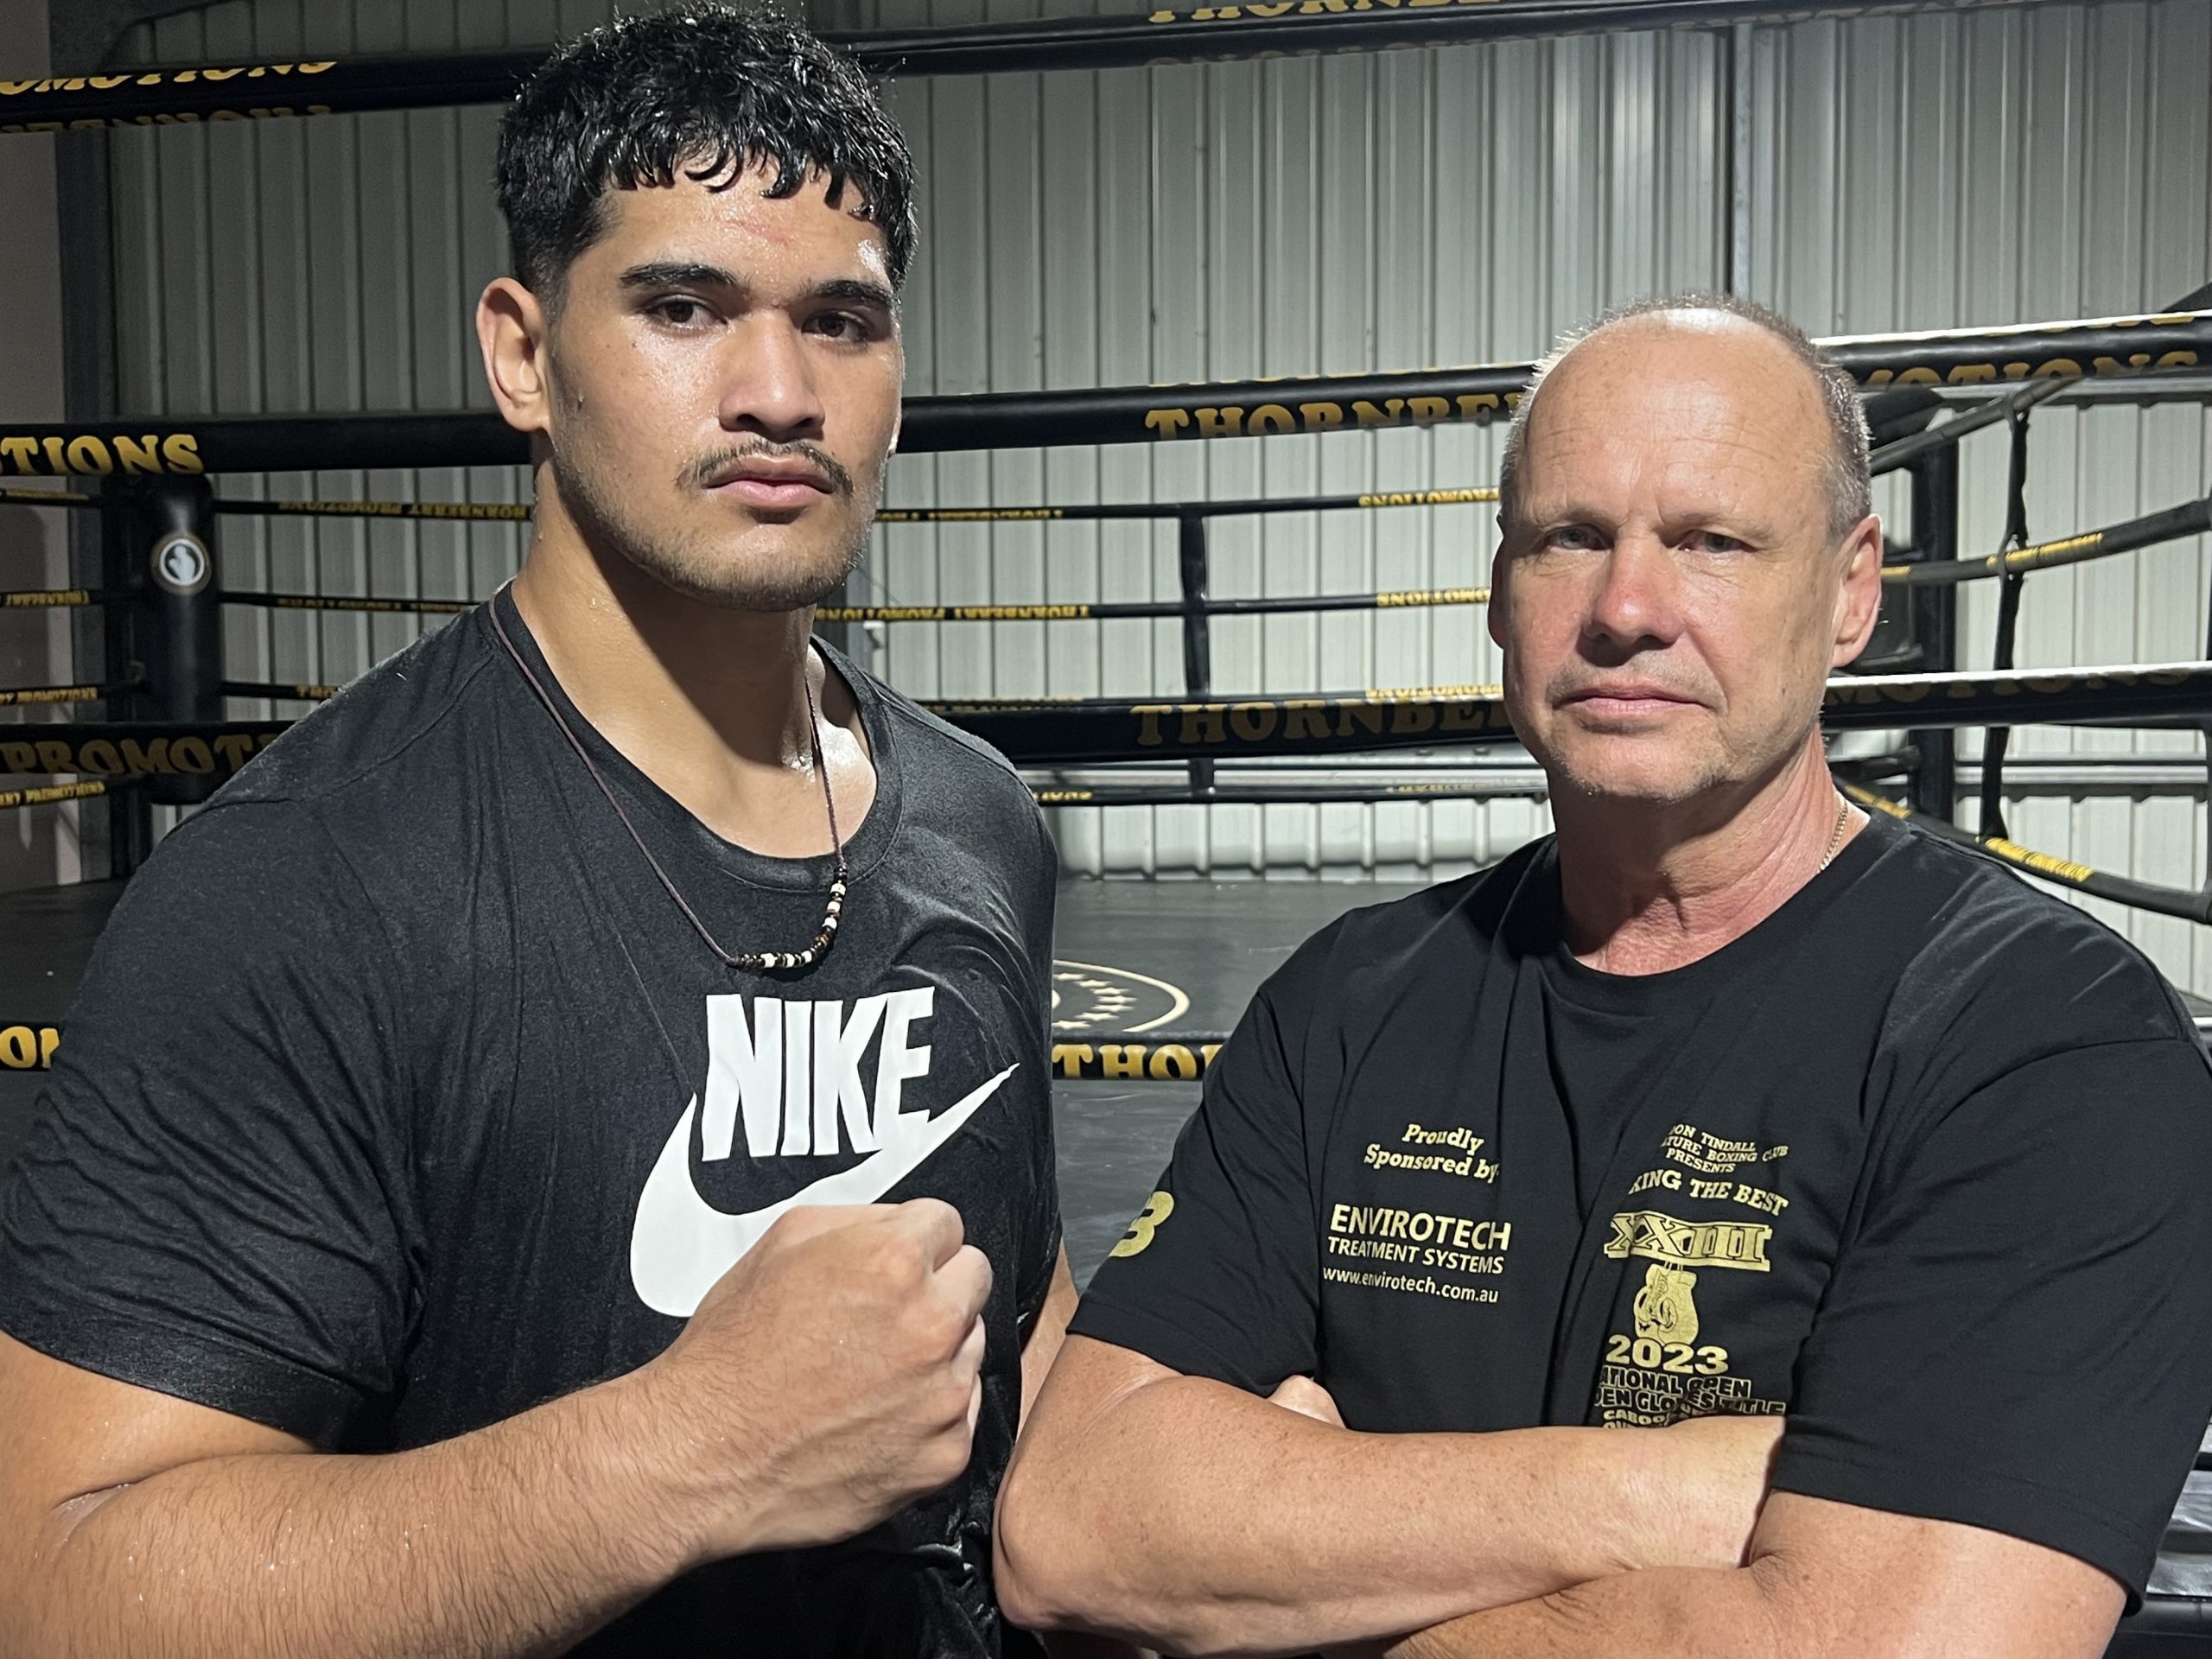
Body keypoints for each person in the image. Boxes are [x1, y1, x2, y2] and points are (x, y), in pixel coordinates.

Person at [0, 12, 1071, 1656]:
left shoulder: (980, 820)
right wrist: (685, 1452)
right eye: (683, 306)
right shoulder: (303, 886)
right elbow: (63, 1586)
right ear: (520, 352)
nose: (780, 393)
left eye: (841, 321)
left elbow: (1025, 1318)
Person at [995, 295, 2212, 1659]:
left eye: (1712, 542)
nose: (1628, 609)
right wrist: (1684, 1495)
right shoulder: (1347, 1000)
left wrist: (1299, 1553)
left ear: (1852, 590)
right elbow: (1073, 1524)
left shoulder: (2048, 1045)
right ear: (1500, 590)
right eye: (1570, 537)